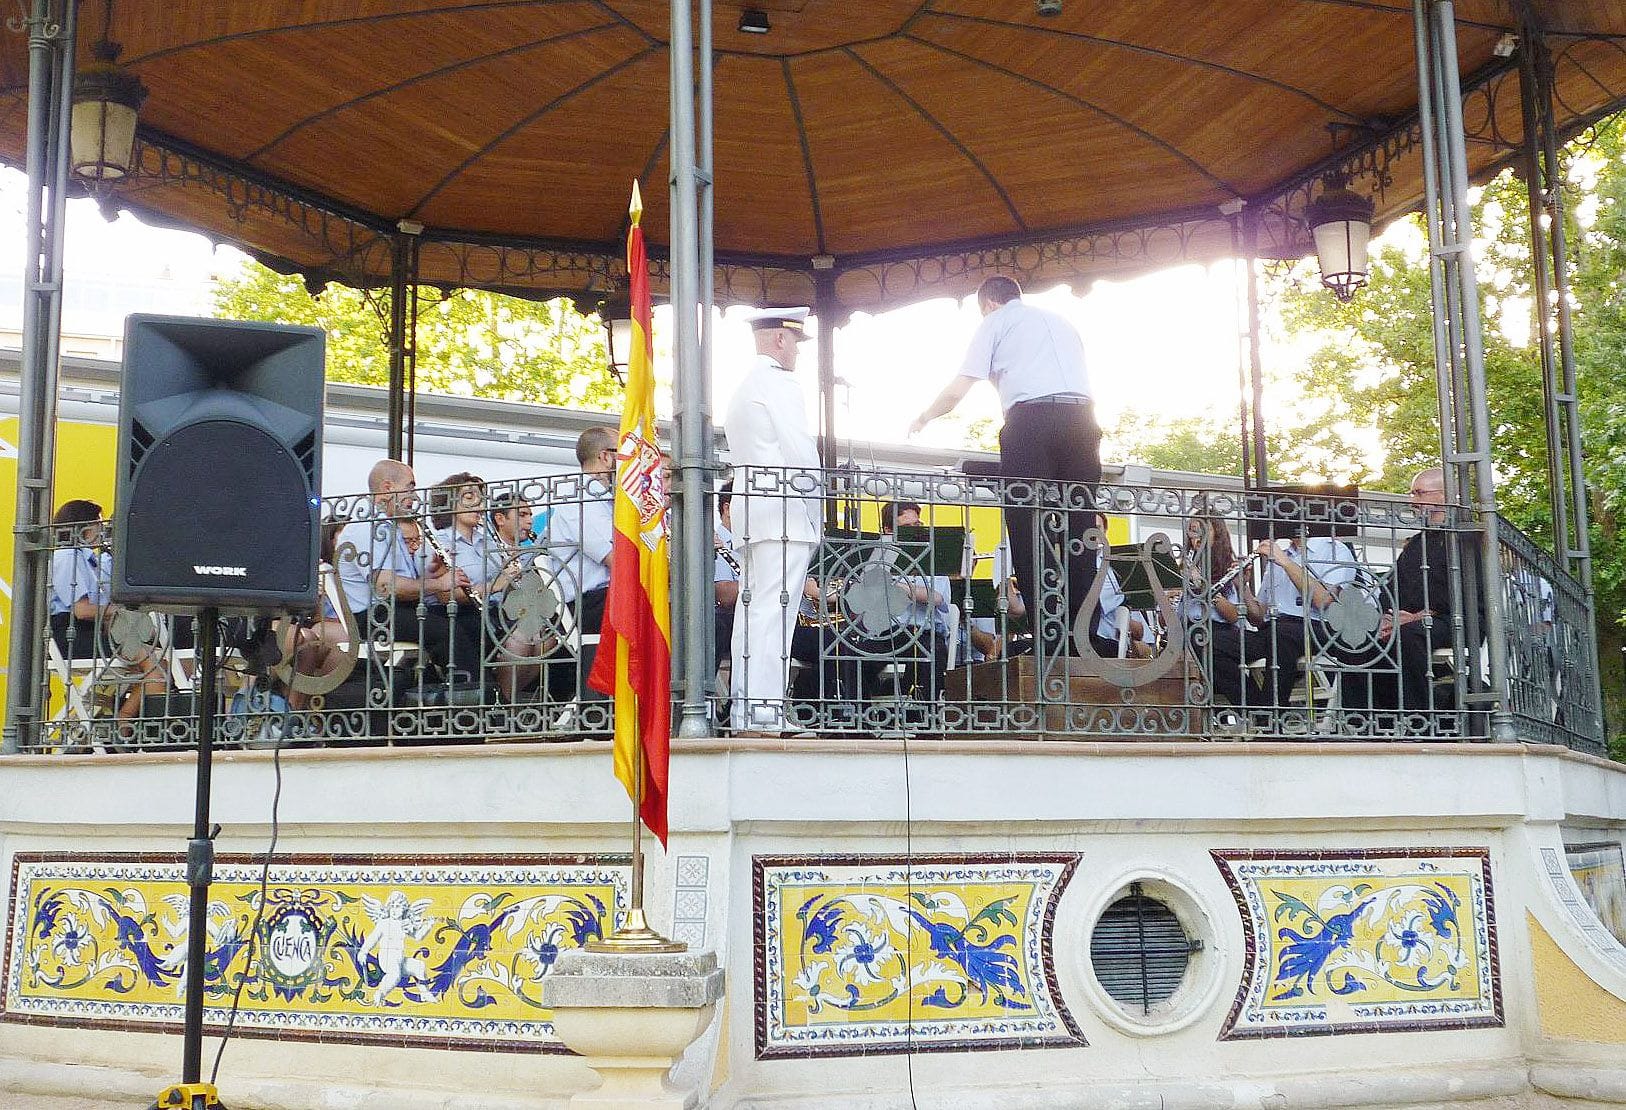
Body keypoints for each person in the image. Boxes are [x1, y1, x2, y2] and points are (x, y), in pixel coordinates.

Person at [909, 275, 1100, 660]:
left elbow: (960, 385)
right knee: (1081, 527)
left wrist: (926, 416)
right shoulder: (1060, 321)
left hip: (1032, 420)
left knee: (1027, 524)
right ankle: (1086, 636)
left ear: (988, 303)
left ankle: (1049, 636)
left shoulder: (995, 321)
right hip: (1083, 422)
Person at [724, 307, 822, 735]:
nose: (797, 353)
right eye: (796, 343)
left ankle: (748, 708)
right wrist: (815, 508)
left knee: (754, 611)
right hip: (783, 512)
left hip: (751, 512)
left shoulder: (745, 386)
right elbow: (801, 453)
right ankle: (765, 711)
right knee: (776, 611)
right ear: (781, 339)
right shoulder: (780, 382)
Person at [334, 459, 482, 683]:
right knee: (445, 630)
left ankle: (482, 688)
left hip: (397, 609)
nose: (414, 495)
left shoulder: (389, 526)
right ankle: (469, 697)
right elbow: (386, 586)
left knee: (473, 620)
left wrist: (434, 572)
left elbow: (409, 583)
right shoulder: (366, 528)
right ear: (387, 488)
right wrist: (439, 584)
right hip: (374, 616)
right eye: (410, 487)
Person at [46, 498, 167, 721]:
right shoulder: (66, 557)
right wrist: (117, 611)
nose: (102, 530)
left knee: (159, 667)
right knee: (155, 671)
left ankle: (122, 721)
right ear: (85, 528)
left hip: (94, 631)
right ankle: (132, 727)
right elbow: (81, 610)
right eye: (98, 523)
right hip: (73, 634)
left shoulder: (87, 560)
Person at [1242, 519, 1363, 708]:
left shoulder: (1334, 550)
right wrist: (1242, 587)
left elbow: (1323, 600)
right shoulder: (1281, 555)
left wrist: (1285, 562)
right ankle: (1251, 708)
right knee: (1218, 643)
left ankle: (1271, 717)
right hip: (1274, 630)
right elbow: (1258, 616)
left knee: (1281, 634)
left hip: (1317, 628)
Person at [540, 427, 617, 698]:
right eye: (623, 454)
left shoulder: (606, 499)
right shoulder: (580, 499)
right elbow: (616, 560)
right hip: (587, 603)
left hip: (608, 596)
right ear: (606, 457)